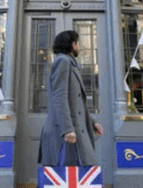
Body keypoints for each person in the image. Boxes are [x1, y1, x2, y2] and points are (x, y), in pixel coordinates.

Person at [39, 30, 103, 167]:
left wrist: (92, 123)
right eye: (77, 43)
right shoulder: (63, 61)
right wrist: (67, 129)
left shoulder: (69, 62)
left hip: (73, 131)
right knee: (63, 179)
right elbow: (59, 96)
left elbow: (76, 103)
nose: (78, 46)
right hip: (64, 134)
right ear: (73, 44)